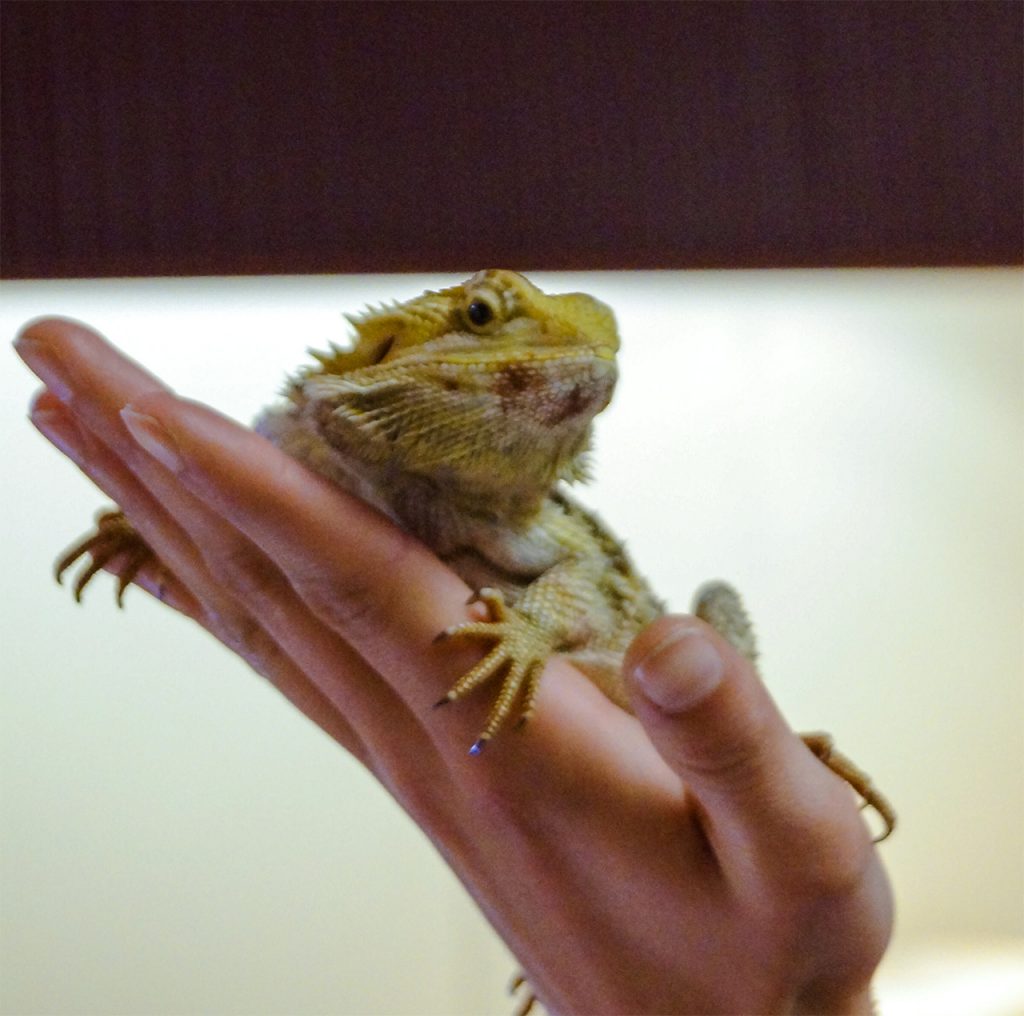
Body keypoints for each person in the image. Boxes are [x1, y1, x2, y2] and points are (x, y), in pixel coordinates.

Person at [15, 317, 893, 1015]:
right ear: (393, 350)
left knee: (710, 623)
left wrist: (531, 630)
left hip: (618, 677)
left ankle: (781, 748)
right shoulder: (314, 451)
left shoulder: (536, 537)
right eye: (483, 316)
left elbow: (576, 588)